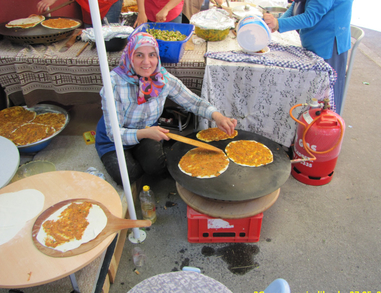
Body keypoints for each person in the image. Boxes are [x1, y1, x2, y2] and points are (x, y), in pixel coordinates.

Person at [95, 32, 237, 185]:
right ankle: (131, 156)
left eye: (152, 55)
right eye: (139, 55)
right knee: (128, 176)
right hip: (114, 140)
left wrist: (217, 116)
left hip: (148, 132)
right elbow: (113, 133)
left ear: (158, 57)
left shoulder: (162, 79)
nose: (147, 62)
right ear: (129, 56)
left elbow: (193, 102)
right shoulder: (114, 84)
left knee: (156, 167)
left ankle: (140, 154)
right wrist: (145, 133)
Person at [262, 0, 353, 115]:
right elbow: (297, 4)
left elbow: (311, 16)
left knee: (325, 99)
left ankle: (323, 129)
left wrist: (278, 23)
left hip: (328, 45)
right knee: (311, 96)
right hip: (314, 41)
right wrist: (276, 24)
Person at [37, 0, 123, 27]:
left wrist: (137, 12)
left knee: (110, 38)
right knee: (90, 38)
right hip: (87, 3)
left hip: (109, 3)